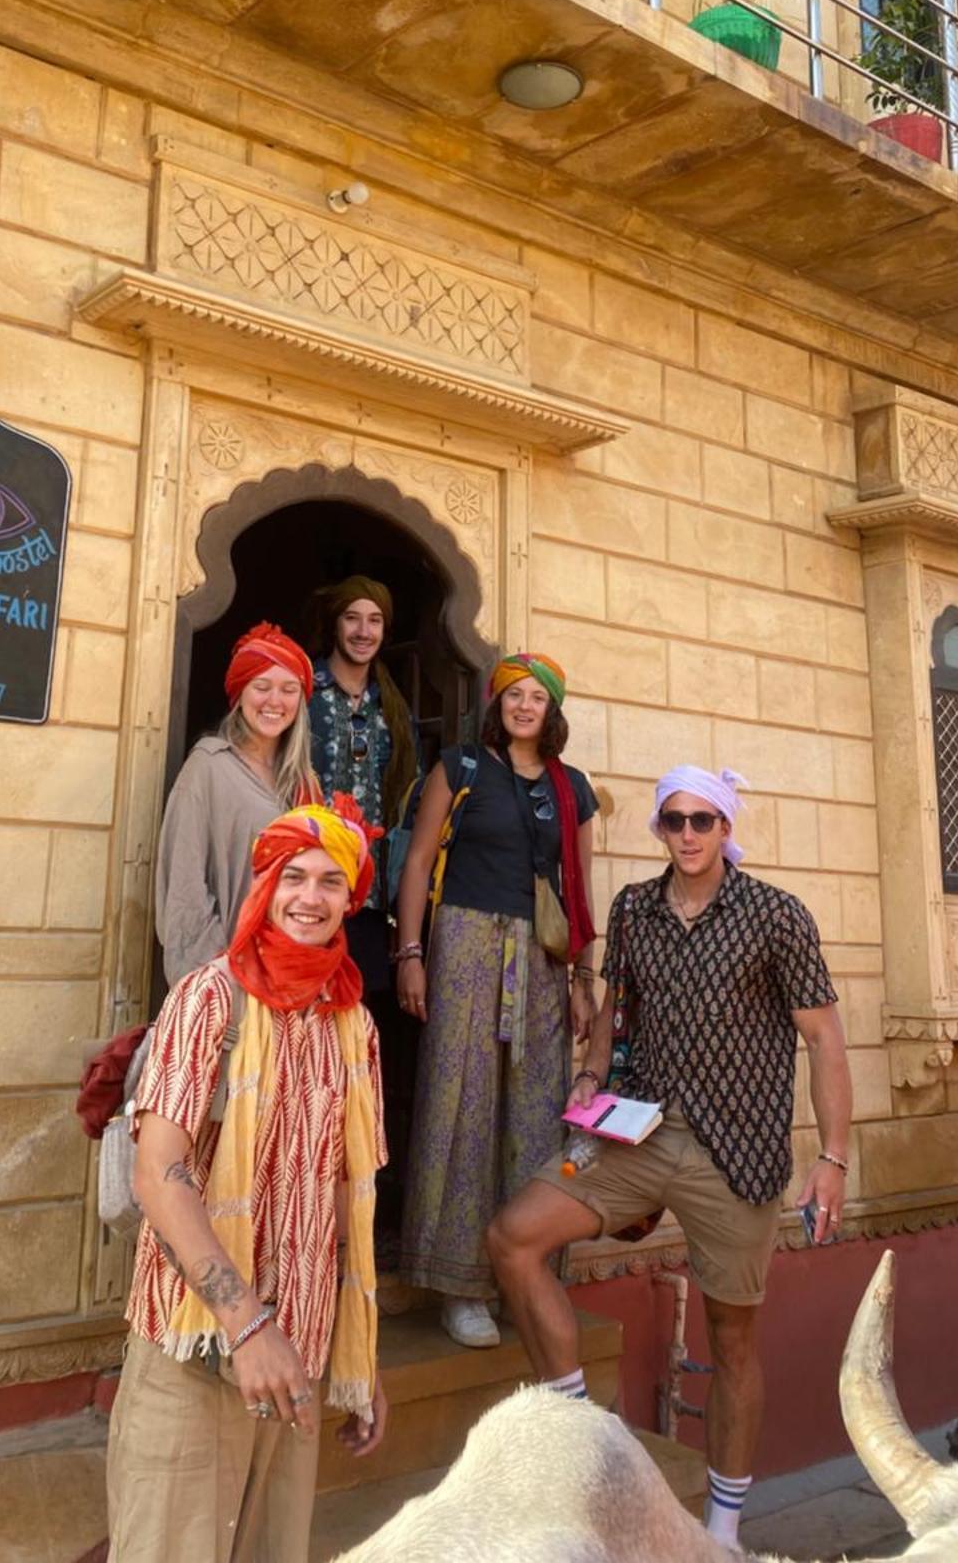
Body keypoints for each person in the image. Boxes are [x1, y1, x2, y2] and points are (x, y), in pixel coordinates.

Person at [486, 763, 852, 1553]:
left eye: (703, 821)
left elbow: (823, 1037)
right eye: (674, 820)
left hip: (739, 1152)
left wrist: (834, 1158)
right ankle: (585, 1434)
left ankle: (722, 1532)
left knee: (732, 1341)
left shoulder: (775, 916)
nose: (687, 834)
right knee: (515, 1237)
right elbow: (617, 1009)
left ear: (726, 829)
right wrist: (589, 1078)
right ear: (659, 828)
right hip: (641, 1133)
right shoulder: (635, 910)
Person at [107, 797, 390, 1563]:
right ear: (264, 886)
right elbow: (158, 1173)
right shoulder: (211, 999)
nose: (310, 897)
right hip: (197, 1350)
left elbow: (342, 1192)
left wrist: (360, 1357)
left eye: (332, 882)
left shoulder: (353, 1026)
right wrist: (247, 1324)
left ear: (351, 898)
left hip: (295, 1358)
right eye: (293, 876)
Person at [395, 652, 599, 1349]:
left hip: (542, 961)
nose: (522, 706)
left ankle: (525, 1270)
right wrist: (411, 953)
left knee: (536, 1111)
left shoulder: (573, 790)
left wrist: (583, 980)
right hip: (463, 945)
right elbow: (420, 860)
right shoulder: (462, 767)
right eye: (512, 695)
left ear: (552, 709)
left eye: (535, 697)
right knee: (463, 1103)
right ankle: (461, 1286)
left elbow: (579, 891)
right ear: (497, 704)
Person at [155, 623, 319, 987]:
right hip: (230, 977)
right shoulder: (208, 767)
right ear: (239, 694)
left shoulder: (304, 783)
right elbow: (186, 888)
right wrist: (220, 978)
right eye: (261, 687)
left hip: (291, 979)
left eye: (289, 689)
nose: (275, 701)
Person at [305, 574, 418, 999]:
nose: (363, 631)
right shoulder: (302, 691)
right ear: (335, 624)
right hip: (306, 886)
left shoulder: (391, 706)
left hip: (370, 899)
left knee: (358, 1014)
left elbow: (409, 801)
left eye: (374, 620)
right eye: (352, 618)